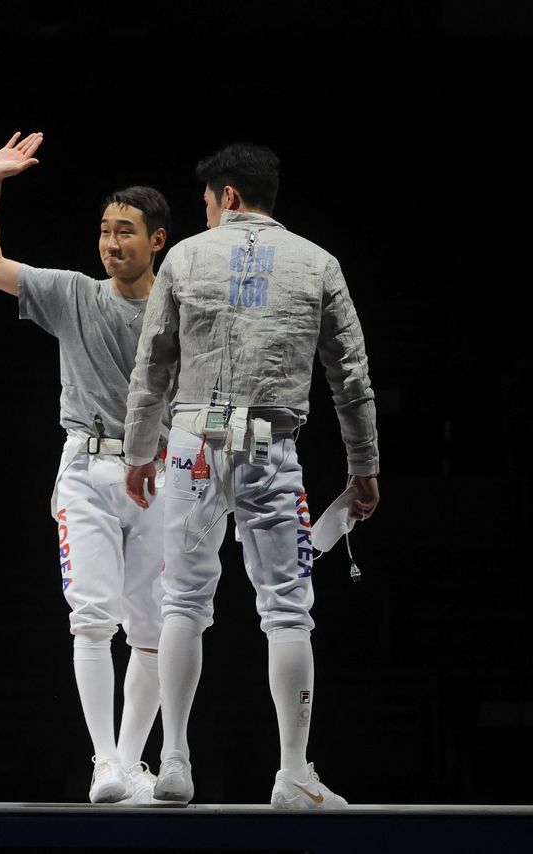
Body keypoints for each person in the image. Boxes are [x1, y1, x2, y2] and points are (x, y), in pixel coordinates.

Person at [122, 143, 379, 809]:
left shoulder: (183, 257)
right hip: (273, 450)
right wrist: (363, 468)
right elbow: (351, 379)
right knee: (287, 610)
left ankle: (174, 761)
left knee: (183, 600)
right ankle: (292, 771)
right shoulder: (317, 262)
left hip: (191, 449)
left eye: (207, 202)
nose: (205, 214)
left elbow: (152, 365)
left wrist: (137, 452)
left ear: (227, 196)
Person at [0, 132, 172, 804]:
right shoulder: (74, 294)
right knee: (91, 619)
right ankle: (105, 762)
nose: (111, 243)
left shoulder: (181, 311)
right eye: (105, 231)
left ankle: (135, 764)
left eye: (126, 232)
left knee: (151, 628)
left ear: (158, 241)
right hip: (85, 472)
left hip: (161, 479)